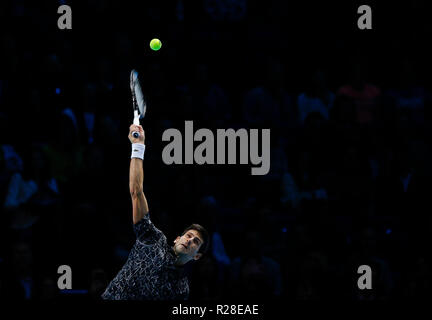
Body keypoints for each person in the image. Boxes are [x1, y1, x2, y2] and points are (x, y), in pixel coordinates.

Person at [101, 124, 209, 300]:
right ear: (177, 238)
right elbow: (136, 192)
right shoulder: (153, 239)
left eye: (196, 241)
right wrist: (138, 146)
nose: (189, 240)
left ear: (196, 255)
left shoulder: (181, 291)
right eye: (188, 235)